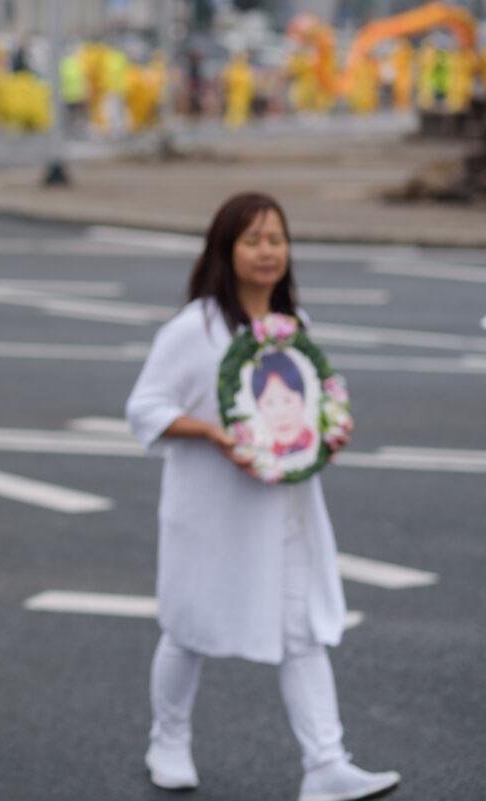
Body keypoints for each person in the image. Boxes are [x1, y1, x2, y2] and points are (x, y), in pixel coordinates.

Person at [125, 193, 401, 801]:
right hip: (210, 508)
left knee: (301, 628)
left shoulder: (295, 327)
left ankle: (325, 763)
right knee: (189, 626)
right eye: (253, 239)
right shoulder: (194, 327)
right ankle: (167, 740)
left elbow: (316, 400)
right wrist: (212, 433)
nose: (268, 251)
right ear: (225, 250)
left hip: (287, 509)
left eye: (276, 238)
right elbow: (144, 408)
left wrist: (330, 429)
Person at [251, 351, 313, 457]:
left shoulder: (318, 444)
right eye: (269, 403)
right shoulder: (255, 451)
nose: (281, 414)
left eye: (287, 400)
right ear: (258, 407)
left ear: (302, 401)